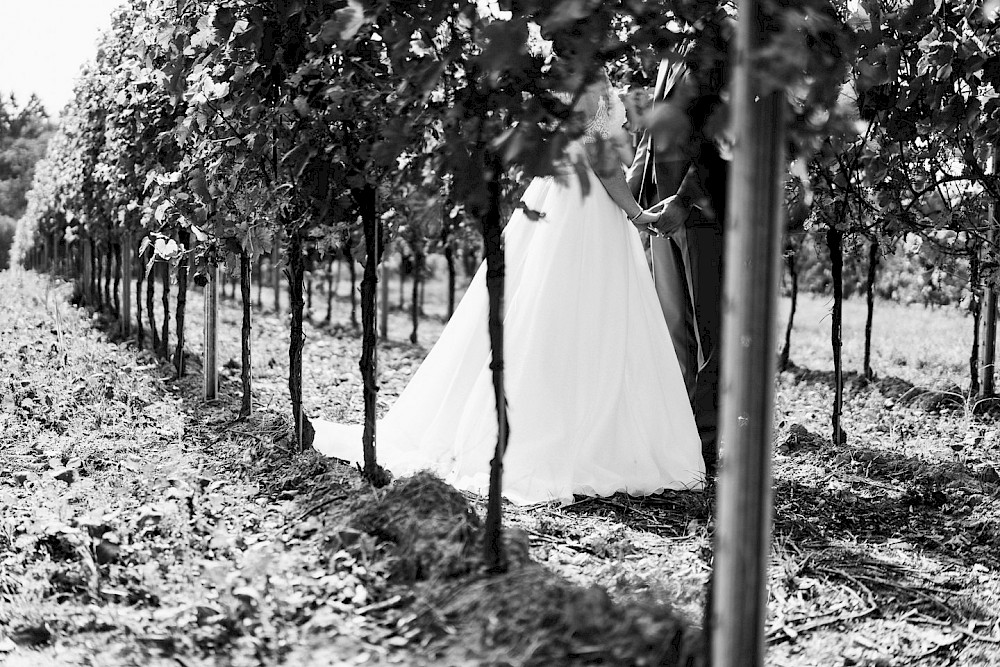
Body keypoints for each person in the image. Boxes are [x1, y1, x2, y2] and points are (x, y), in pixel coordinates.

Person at [312, 69, 705, 505]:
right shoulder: (590, 77)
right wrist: (635, 213)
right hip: (586, 205)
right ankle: (575, 433)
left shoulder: (560, 72)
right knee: (580, 312)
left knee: (547, 310)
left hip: (554, 194)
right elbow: (601, 157)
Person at [626, 56, 729, 476]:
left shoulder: (723, 41)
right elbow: (653, 136)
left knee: (710, 335)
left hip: (699, 210)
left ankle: (704, 444)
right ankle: (682, 442)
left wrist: (686, 199)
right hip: (659, 206)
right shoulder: (673, 51)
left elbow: (723, 133)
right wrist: (630, 194)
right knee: (676, 333)